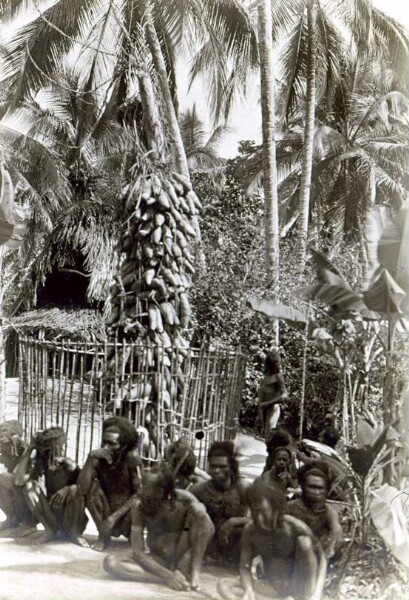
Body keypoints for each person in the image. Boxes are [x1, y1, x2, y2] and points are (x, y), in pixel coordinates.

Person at [103, 464, 215, 592]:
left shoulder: (184, 499)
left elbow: (208, 529)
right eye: (141, 486)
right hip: (158, 560)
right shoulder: (139, 506)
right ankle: (169, 579)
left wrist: (201, 511)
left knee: (201, 514)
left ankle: (194, 574)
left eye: (146, 488)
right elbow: (138, 552)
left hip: (183, 559)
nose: (140, 491)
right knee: (111, 562)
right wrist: (168, 576)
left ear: (161, 491)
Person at [218, 480, 327, 600]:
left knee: (305, 543)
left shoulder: (294, 527)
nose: (259, 518)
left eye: (263, 512)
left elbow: (322, 558)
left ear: (275, 510)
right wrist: (248, 590)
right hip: (272, 587)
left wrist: (315, 594)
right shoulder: (251, 531)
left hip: (298, 587)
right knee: (223, 585)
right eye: (255, 512)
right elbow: (244, 567)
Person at [72, 416, 142, 551]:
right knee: (91, 489)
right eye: (104, 442)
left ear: (124, 445)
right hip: (105, 510)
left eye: (112, 443)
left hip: (126, 513)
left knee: (141, 502)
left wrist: (113, 518)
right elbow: (81, 489)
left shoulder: (132, 458)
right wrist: (90, 458)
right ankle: (103, 537)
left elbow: (139, 493)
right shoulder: (97, 458)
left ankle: (134, 537)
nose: (106, 447)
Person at [13, 426, 86, 544]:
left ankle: (75, 533)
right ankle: (49, 531)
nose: (60, 450)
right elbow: (18, 480)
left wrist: (67, 489)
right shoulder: (42, 464)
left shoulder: (68, 464)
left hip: (70, 518)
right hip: (53, 517)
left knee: (74, 489)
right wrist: (29, 450)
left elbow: (85, 486)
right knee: (29, 487)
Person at [190, 441, 251, 566]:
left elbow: (261, 520)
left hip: (234, 550)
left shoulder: (243, 488)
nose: (217, 471)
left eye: (223, 467)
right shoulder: (199, 490)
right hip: (208, 550)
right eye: (213, 466)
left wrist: (234, 521)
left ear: (231, 467)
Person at [286, 463, 344, 559]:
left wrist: (330, 549)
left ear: (326, 490)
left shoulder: (328, 510)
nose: (316, 492)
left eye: (320, 488)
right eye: (312, 487)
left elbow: (337, 530)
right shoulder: (290, 507)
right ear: (303, 487)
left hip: (317, 555)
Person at [0, 420, 35, 536]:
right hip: (17, 483)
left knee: (5, 478)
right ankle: (12, 518)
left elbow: (21, 474)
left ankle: (27, 522)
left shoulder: (25, 450)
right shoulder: (7, 448)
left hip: (30, 487)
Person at [257, 350, 288, 439]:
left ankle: (272, 452)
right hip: (263, 409)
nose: (277, 364)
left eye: (278, 361)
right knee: (265, 435)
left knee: (269, 435)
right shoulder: (266, 376)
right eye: (275, 362)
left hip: (272, 408)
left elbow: (284, 395)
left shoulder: (278, 376)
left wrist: (268, 403)